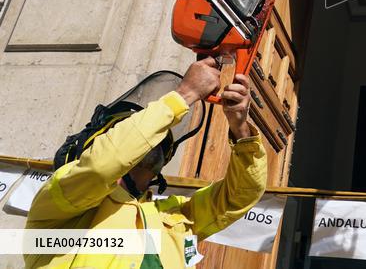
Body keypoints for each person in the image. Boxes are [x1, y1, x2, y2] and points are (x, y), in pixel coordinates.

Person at [25, 57, 268, 269]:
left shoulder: (173, 217)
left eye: (157, 137)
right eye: (131, 132)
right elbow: (103, 167)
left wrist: (241, 130)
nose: (150, 141)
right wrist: (184, 95)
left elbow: (239, 197)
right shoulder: (62, 199)